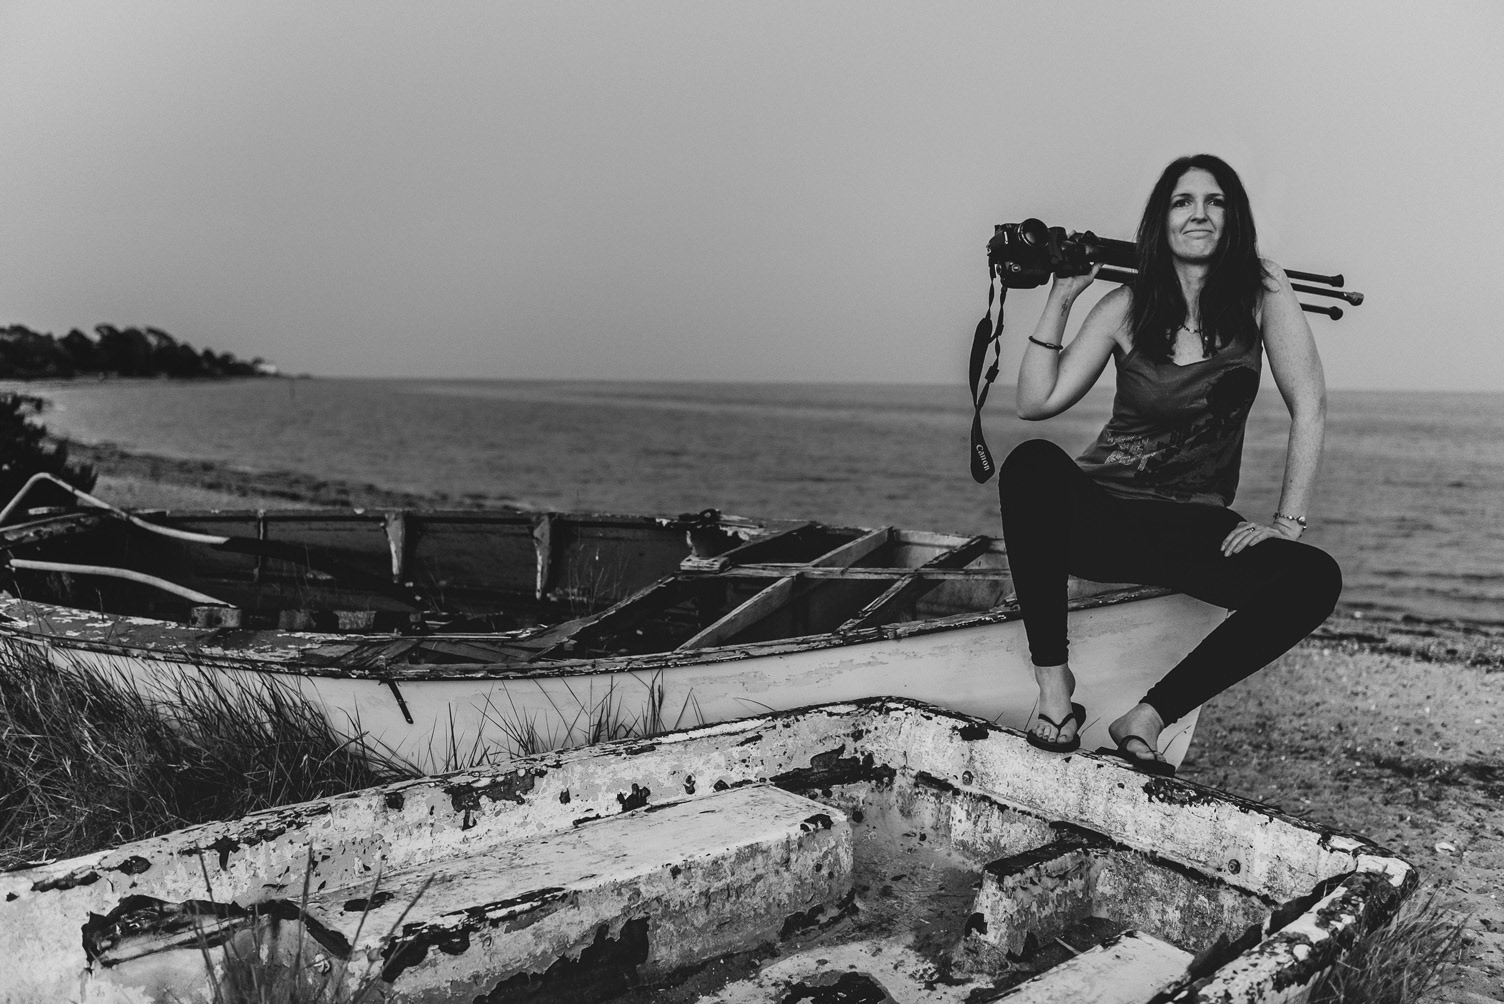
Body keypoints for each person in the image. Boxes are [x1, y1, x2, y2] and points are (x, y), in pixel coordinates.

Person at [997, 153, 1341, 775]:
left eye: (1216, 201)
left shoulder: (1262, 297)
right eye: (1184, 201)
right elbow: (1034, 403)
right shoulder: (1127, 306)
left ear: (1232, 218)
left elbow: (1309, 404)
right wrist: (1062, 297)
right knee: (1030, 465)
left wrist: (1287, 524)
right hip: (1105, 517)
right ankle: (1055, 691)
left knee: (1316, 579)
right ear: (1163, 219)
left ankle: (1149, 717)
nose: (1200, 214)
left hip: (1193, 528)